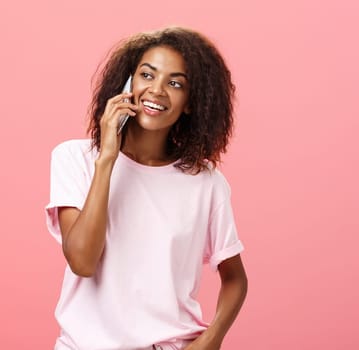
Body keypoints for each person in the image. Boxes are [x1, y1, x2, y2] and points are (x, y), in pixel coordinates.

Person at [44, 27, 248, 350]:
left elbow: (236, 278)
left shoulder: (206, 183)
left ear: (191, 103)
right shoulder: (75, 159)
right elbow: (82, 261)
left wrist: (212, 339)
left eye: (175, 83)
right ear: (128, 84)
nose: (157, 90)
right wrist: (107, 160)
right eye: (147, 75)